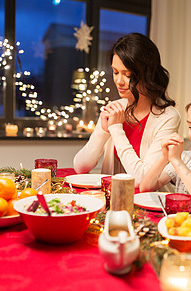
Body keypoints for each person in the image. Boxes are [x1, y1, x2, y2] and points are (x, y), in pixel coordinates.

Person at [73, 33, 181, 189]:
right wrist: (103, 131)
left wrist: (116, 128)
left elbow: (142, 180)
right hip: (112, 200)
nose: (118, 81)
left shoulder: (168, 116)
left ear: (147, 74)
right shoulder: (114, 108)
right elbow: (80, 167)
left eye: (128, 74)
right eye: (116, 72)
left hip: (148, 206)